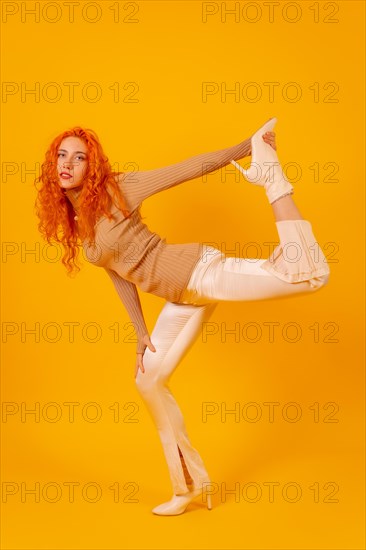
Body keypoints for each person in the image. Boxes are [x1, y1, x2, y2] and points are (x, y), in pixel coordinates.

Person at [34, 117, 330, 516]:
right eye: (61, 156)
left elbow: (188, 169)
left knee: (309, 276)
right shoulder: (78, 220)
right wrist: (140, 332)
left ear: (93, 166)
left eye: (79, 157)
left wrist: (246, 147)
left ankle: (272, 177)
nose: (67, 163)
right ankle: (190, 485)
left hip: (198, 272)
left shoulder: (117, 191)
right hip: (182, 297)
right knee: (148, 379)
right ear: (53, 167)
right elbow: (117, 273)